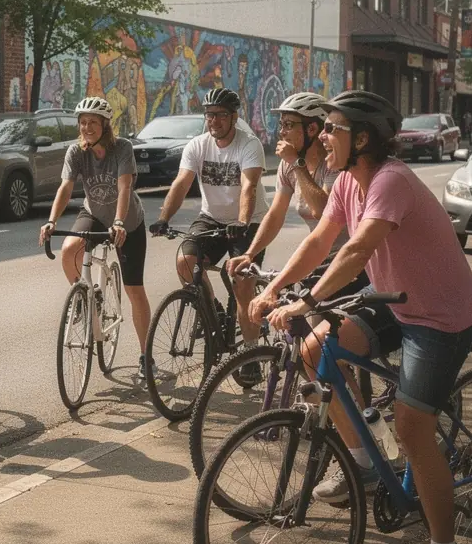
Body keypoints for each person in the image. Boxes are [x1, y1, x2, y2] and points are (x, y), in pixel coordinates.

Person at [250, 90, 472, 544]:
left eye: (332, 129)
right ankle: (359, 461)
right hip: (397, 302)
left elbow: (356, 252)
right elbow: (319, 242)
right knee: (316, 349)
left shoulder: (390, 180)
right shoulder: (345, 184)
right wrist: (272, 290)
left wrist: (306, 298)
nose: (323, 137)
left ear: (361, 138)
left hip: (442, 318)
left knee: (410, 425)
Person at [38, 97, 153, 381]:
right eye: (83, 122)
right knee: (69, 251)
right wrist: (52, 220)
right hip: (94, 213)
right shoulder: (76, 152)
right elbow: (66, 188)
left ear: (105, 124)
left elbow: (124, 187)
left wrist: (118, 222)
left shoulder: (122, 148)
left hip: (127, 221)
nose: (87, 127)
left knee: (134, 289)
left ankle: (145, 355)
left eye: (92, 122)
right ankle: (88, 297)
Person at [227, 92, 354, 343]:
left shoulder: (333, 163)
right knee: (294, 334)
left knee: (314, 340)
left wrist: (297, 163)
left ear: (312, 128)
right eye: (281, 124)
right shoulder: (288, 165)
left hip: (349, 261)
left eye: (288, 125)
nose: (281, 132)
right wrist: (250, 253)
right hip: (320, 258)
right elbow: (275, 214)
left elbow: (323, 209)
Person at [150, 87, 267, 340]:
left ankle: (251, 353)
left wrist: (243, 222)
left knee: (242, 284)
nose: (213, 120)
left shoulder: (249, 144)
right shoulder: (197, 145)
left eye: (221, 115)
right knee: (185, 261)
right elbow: (181, 184)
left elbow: (249, 187)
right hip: (211, 218)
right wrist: (163, 219)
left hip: (248, 222)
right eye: (209, 115)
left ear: (234, 117)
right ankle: (211, 311)